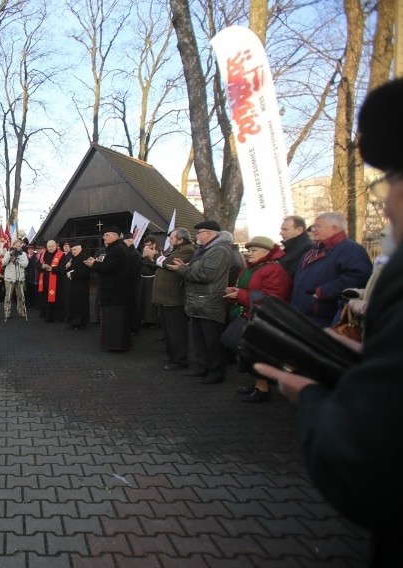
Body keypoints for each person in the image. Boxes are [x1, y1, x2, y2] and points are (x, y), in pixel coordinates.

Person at [254, 77, 403, 567]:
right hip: (312, 324)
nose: (384, 201)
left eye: (390, 181)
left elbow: (366, 465)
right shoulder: (318, 250)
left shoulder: (352, 252)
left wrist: (314, 397)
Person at [223, 236, 291, 402]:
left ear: (266, 252)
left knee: (258, 355)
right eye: (249, 250)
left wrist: (239, 294)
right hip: (251, 315)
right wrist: (235, 293)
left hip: (264, 319)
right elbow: (247, 290)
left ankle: (263, 389)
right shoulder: (252, 268)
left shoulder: (274, 270)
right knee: (249, 353)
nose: (249, 253)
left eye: (254, 250)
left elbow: (270, 297)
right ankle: (257, 385)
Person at [168, 220, 232, 383]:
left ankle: (216, 372)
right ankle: (202, 367)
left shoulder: (219, 250)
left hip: (210, 301)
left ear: (210, 233)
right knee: (200, 339)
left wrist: (183, 269)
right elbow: (198, 269)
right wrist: (187, 267)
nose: (197, 235)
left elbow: (206, 274)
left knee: (212, 340)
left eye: (200, 232)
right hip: (199, 301)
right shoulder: (204, 250)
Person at [290, 211, 372, 327]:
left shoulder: (350, 249)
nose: (313, 230)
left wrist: (323, 292)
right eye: (314, 226)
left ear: (334, 228)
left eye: (318, 226)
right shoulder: (313, 251)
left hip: (324, 317)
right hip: (302, 314)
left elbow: (358, 276)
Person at [148, 228, 196, 370]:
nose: (169, 240)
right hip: (166, 298)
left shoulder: (187, 250)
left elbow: (167, 263)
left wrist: (155, 255)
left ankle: (179, 359)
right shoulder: (176, 249)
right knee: (169, 330)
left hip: (174, 298)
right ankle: (172, 355)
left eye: (172, 238)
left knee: (177, 331)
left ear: (181, 239)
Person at [84, 226, 132, 351]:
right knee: (110, 319)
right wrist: (96, 262)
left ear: (116, 236)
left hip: (115, 291)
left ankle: (115, 345)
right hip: (111, 290)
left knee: (115, 320)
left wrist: (94, 264)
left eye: (107, 235)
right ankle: (110, 343)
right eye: (104, 235)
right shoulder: (112, 249)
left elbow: (109, 267)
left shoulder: (118, 249)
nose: (104, 237)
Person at [0, 239, 28, 321]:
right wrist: (9, 255)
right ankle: (7, 312)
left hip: (20, 278)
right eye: (16, 246)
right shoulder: (8, 253)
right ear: (13, 246)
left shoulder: (23, 254)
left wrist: (17, 260)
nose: (18, 247)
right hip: (9, 278)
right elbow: (3, 263)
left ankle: (21, 310)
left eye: (19, 246)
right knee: (8, 296)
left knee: (20, 296)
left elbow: (25, 264)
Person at [38, 240, 65, 323]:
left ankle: (57, 317)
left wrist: (52, 269)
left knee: (57, 300)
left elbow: (63, 268)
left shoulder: (61, 255)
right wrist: (42, 266)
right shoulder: (43, 254)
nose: (50, 248)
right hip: (45, 281)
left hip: (57, 281)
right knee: (46, 299)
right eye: (49, 246)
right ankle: (48, 317)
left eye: (52, 246)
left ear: (56, 246)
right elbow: (37, 265)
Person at [65, 243, 91, 329]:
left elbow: (86, 272)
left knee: (80, 304)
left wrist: (72, 274)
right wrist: (68, 267)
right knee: (74, 303)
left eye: (75, 249)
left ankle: (80, 323)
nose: (73, 251)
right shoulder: (73, 258)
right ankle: (74, 322)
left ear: (80, 249)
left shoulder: (84, 258)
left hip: (81, 286)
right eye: (72, 250)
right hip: (74, 285)